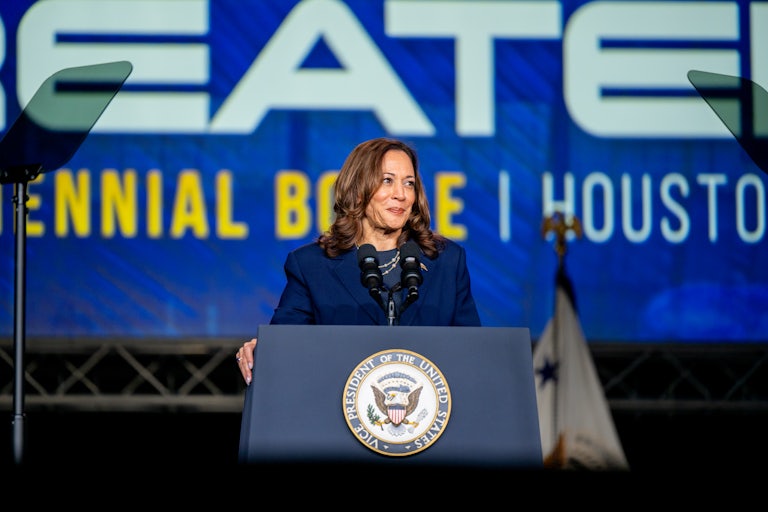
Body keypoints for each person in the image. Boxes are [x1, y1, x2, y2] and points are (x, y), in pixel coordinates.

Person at [235, 137, 480, 384]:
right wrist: (262, 350)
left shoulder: (447, 261)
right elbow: (285, 344)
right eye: (387, 181)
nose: (401, 195)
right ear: (358, 189)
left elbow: (475, 353)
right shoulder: (312, 266)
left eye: (409, 184)